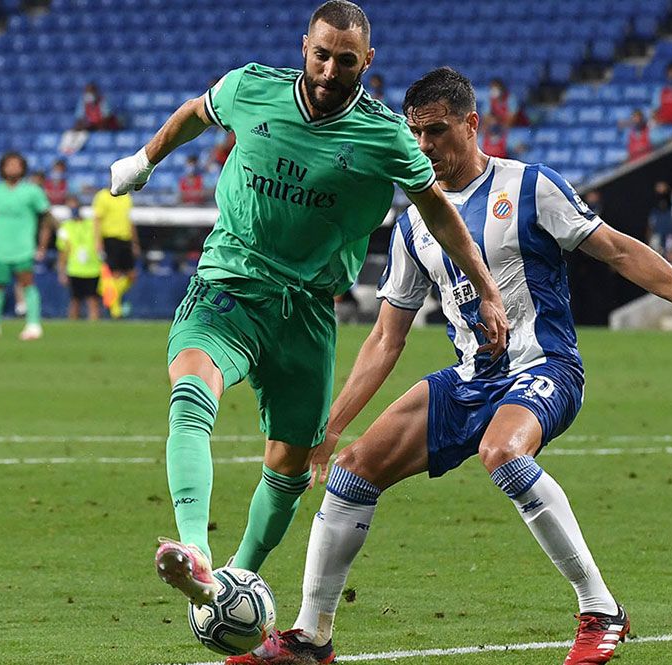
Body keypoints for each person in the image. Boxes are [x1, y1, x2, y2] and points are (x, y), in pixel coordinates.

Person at [234, 67, 672, 665]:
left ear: (472, 124)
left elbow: (619, 249)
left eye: (436, 131)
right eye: (414, 134)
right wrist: (330, 426)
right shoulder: (415, 219)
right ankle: (312, 637)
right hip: (471, 379)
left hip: (546, 367)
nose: (424, 147)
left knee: (503, 453)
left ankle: (601, 611)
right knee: (352, 472)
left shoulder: (530, 187)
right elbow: (387, 339)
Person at [107, 1, 508, 610]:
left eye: (344, 61)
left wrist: (485, 286)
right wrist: (143, 161)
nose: (328, 71)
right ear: (304, 47)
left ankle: (232, 581)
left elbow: (438, 213)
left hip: (308, 311)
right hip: (231, 281)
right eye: (320, 55)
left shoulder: (385, 137)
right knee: (191, 389)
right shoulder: (250, 88)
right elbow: (195, 113)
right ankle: (194, 550)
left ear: (366, 62)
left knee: (291, 465)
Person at [0, 151, 53, 341]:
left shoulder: (32, 191)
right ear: (2, 168)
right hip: (0, 247)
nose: (12, 168)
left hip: (23, 246)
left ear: (23, 168)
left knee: (27, 283)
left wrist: (43, 244)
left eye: (16, 164)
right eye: (9, 164)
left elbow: (47, 217)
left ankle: (33, 325)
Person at [93, 182, 140, 318]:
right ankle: (115, 309)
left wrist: (134, 242)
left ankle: (111, 298)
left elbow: (129, 221)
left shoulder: (126, 198)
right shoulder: (102, 196)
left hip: (125, 238)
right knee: (115, 274)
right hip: (110, 238)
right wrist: (98, 242)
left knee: (131, 275)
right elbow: (97, 220)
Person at [57, 195, 103, 320]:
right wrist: (61, 271)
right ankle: (73, 328)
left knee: (92, 300)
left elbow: (99, 242)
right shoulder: (65, 227)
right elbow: (63, 251)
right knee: (75, 300)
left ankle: (94, 328)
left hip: (93, 267)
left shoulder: (91, 224)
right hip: (74, 268)